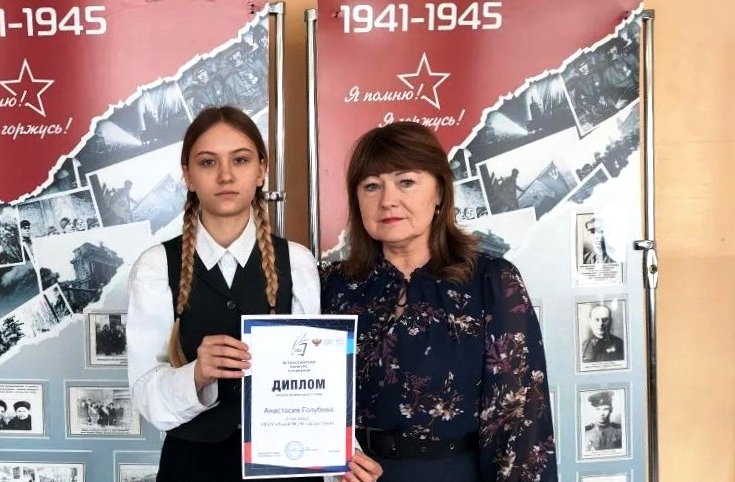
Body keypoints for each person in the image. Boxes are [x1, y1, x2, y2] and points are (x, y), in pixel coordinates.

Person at [127, 106, 382, 482]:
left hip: (287, 467)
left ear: (261, 170)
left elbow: (320, 377)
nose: (226, 175)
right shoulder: (155, 266)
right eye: (208, 162)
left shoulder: (297, 261)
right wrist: (196, 374)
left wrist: (343, 455)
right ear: (188, 176)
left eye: (240, 160)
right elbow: (145, 395)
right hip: (192, 467)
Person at [320, 122, 556, 481]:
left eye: (406, 182)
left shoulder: (491, 282)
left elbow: (520, 421)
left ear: (440, 193)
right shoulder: (332, 286)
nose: (387, 200)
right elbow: (299, 399)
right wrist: (328, 459)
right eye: (371, 186)